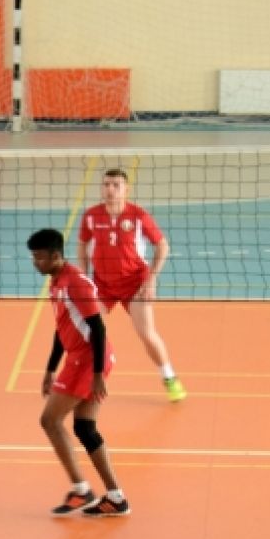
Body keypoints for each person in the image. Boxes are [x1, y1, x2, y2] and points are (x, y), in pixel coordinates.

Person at [28, 228, 130, 517]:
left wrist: (96, 375)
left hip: (87, 360)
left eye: (39, 257)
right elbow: (62, 329)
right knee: (84, 428)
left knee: (49, 420)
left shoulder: (75, 283)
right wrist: (50, 368)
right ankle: (116, 497)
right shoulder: (56, 283)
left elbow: (98, 328)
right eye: (33, 257)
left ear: (55, 256)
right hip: (82, 358)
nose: (35, 262)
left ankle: (81, 490)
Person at [77, 168, 185, 402]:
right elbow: (82, 246)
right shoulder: (91, 216)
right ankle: (88, 377)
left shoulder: (138, 216)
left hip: (135, 284)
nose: (110, 189)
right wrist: (84, 278)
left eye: (116, 185)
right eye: (106, 184)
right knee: (87, 331)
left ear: (126, 189)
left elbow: (163, 246)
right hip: (102, 284)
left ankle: (169, 378)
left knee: (146, 333)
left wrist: (151, 279)